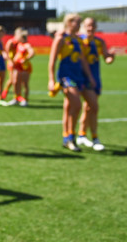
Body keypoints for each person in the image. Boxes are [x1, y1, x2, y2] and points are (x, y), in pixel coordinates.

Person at [48, 13, 97, 152]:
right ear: (69, 23)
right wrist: (51, 79)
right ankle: (70, 137)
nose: (79, 24)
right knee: (76, 105)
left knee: (92, 104)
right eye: (77, 22)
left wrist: (90, 77)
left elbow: (83, 60)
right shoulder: (61, 38)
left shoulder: (78, 39)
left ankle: (71, 137)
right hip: (66, 77)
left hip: (80, 76)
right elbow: (52, 61)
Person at [76, 17, 114, 151]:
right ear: (83, 26)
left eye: (92, 25)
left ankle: (81, 135)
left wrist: (111, 57)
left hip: (95, 78)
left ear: (96, 26)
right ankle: (92, 137)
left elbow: (106, 58)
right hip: (81, 78)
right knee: (90, 107)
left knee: (89, 107)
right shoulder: (79, 40)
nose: (90, 28)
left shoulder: (99, 42)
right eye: (87, 25)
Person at [7, 29, 35, 107]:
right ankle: (16, 98)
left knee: (24, 83)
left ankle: (25, 100)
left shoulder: (27, 45)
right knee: (15, 82)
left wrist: (25, 59)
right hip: (17, 66)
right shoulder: (19, 44)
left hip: (24, 67)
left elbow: (32, 53)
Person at [0, 27, 23, 101]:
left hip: (17, 63)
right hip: (11, 63)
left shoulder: (20, 42)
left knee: (13, 80)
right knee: (14, 80)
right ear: (16, 34)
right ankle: (15, 96)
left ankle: (6, 92)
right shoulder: (11, 42)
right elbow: (6, 52)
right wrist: (10, 61)